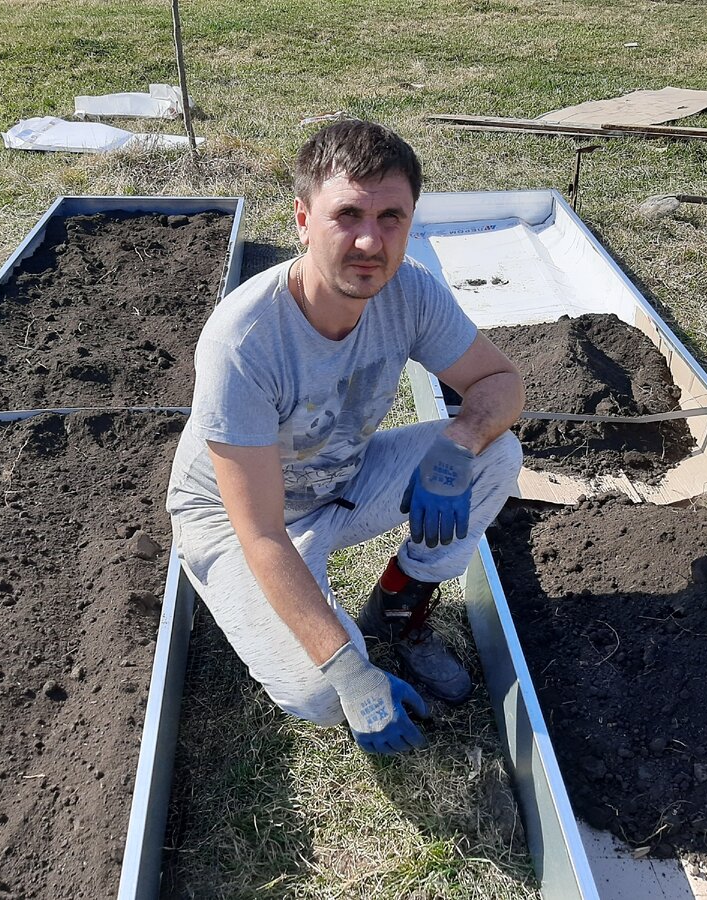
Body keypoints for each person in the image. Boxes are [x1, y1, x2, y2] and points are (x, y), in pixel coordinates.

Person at [166, 121, 524, 755]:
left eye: (392, 217)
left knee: (496, 449)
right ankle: (342, 652)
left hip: (342, 478)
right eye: (347, 215)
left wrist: (458, 441)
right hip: (238, 520)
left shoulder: (409, 291)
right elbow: (263, 534)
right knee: (323, 694)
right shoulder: (244, 342)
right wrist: (353, 675)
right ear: (303, 219)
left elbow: (499, 381)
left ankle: (399, 606)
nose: (370, 240)